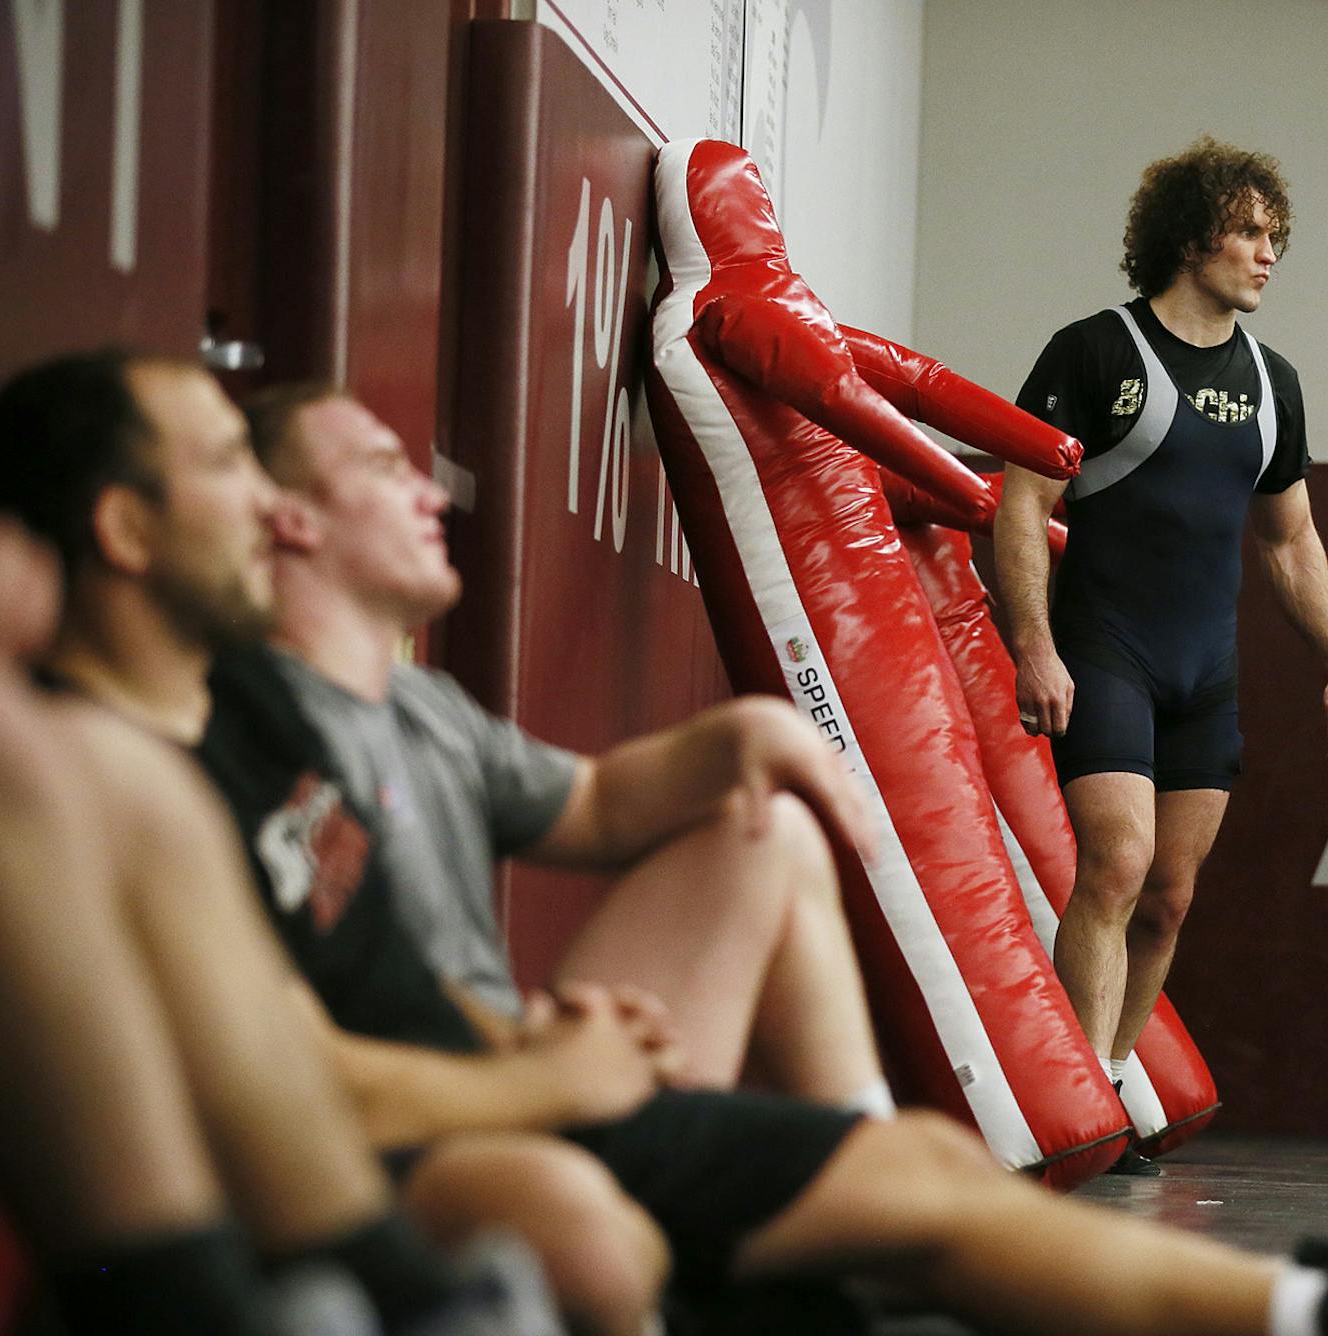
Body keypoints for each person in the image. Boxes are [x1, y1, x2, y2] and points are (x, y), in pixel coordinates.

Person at [0, 346, 1328, 1333]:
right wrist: (532, 1079)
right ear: (133, 532)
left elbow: (579, 822)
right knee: (648, 1222)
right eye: (236, 471)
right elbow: (277, 1095)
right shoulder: (133, 761)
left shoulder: (296, 727)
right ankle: (1321, 1303)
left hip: (453, 1107)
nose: (419, 490)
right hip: (442, 1131)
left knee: (779, 907)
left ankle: (895, 1243)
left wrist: (763, 743)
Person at [0, 451, 558, 1331]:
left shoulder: (257, 699)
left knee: (135, 779)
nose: (268, 507)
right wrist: (559, 1082)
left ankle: (391, 1286)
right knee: (566, 1210)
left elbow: (601, 801)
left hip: (446, 1100)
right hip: (427, 1115)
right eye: (221, 460)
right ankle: (189, 1303)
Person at [237, 382, 895, 1119]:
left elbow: (596, 802)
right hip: (443, 1109)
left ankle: (860, 1140)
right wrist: (539, 1066)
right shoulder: (255, 723)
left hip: (525, 1066)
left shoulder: (424, 705)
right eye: (387, 468)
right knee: (922, 1183)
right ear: (289, 517)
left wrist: (743, 733)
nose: (431, 496)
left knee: (773, 832)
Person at [995, 137, 1328, 1172]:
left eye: (1275, 237)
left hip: (1205, 672)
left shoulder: (1272, 383)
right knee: (1115, 865)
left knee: (1168, 897)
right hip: (1104, 649)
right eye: (1250, 232)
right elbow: (1021, 498)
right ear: (1192, 235)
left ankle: (1107, 1091)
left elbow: (1288, 538)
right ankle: (1072, 1113)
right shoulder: (1095, 351)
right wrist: (1033, 641)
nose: (1267, 255)